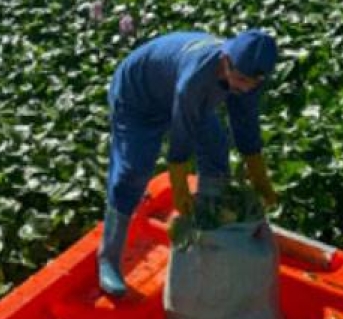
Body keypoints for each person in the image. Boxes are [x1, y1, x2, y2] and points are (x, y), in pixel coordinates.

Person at [98, 29, 279, 297]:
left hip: (186, 97)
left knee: (216, 151)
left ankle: (208, 232)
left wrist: (258, 174)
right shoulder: (197, 76)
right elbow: (182, 131)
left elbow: (246, 124)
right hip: (139, 98)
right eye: (240, 80)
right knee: (133, 171)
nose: (244, 87)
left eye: (251, 83)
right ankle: (109, 258)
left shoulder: (248, 78)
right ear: (225, 61)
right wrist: (179, 183)